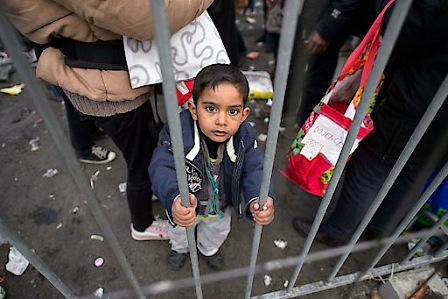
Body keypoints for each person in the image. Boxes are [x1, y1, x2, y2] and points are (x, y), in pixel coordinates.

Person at [3, 0, 214, 241]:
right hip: (106, 83)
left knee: (142, 151)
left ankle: (150, 190)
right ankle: (142, 224)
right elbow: (147, 15)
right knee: (142, 161)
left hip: (99, 74)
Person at [292, 0, 448, 245]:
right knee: (413, 169)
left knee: (370, 167)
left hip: (416, 97)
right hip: (434, 105)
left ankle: (337, 232)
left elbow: (399, 27)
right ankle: (379, 227)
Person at [149, 64, 275, 270]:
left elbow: (256, 168)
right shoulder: (178, 132)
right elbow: (161, 166)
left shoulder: (244, 136)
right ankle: (180, 249)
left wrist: (258, 197)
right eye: (210, 108)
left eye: (232, 111)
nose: (221, 120)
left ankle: (208, 249)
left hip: (220, 206)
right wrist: (173, 198)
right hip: (186, 205)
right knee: (179, 231)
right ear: (193, 109)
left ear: (243, 115)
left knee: (216, 231)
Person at [281, 0, 372, 132]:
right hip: (311, 12)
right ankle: (290, 113)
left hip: (326, 14)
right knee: (296, 66)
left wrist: (326, 28)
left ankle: (303, 127)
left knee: (316, 75)